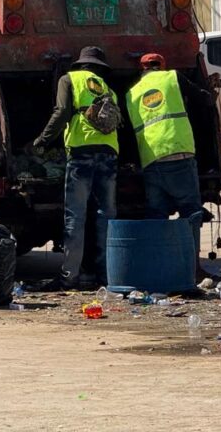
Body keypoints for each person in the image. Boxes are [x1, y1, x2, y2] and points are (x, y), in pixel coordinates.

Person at [31, 46, 119, 291]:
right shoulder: (107, 88)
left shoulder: (68, 79)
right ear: (99, 68)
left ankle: (70, 276)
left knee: (75, 217)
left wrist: (42, 141)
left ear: (81, 64)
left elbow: (61, 112)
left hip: (82, 153)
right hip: (109, 153)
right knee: (106, 216)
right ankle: (106, 275)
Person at [126, 53, 211, 273]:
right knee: (191, 211)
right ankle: (192, 268)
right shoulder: (173, 77)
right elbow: (202, 98)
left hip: (151, 159)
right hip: (178, 152)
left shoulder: (131, 93)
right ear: (163, 66)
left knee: (156, 214)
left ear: (141, 69)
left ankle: (158, 268)